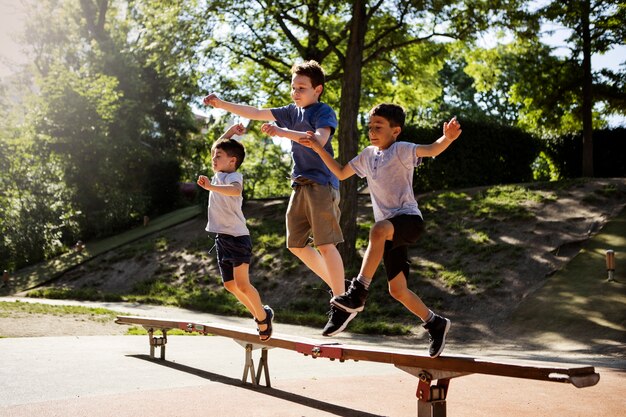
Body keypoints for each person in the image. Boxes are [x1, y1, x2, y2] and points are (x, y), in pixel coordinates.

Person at [298, 103, 462, 357]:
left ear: (395, 131)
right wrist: (319, 148)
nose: (372, 131)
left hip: (408, 221)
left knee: (378, 229)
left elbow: (432, 149)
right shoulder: (367, 155)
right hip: (388, 231)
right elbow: (341, 173)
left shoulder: (402, 150)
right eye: (370, 127)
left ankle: (356, 293)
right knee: (397, 290)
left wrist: (447, 138)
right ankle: (435, 323)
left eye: (379, 127)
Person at [203, 60, 353, 337]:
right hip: (299, 185)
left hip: (321, 183)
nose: (296, 93)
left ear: (317, 89)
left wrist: (283, 133)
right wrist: (222, 104)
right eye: (293, 87)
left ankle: (342, 302)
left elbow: (318, 139)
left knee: (324, 243)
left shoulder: (323, 111)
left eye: (302, 88)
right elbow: (257, 112)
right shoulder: (289, 111)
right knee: (296, 245)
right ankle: (341, 289)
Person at [197, 123, 274, 342]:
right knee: (230, 285)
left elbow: (235, 191)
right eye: (213, 156)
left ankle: (262, 318)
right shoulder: (218, 173)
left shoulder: (233, 177)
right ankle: (261, 313)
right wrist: (231, 131)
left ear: (232, 161)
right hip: (222, 238)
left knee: (242, 284)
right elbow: (217, 144)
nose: (213, 159)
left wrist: (210, 188)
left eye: (218, 156)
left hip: (238, 238)